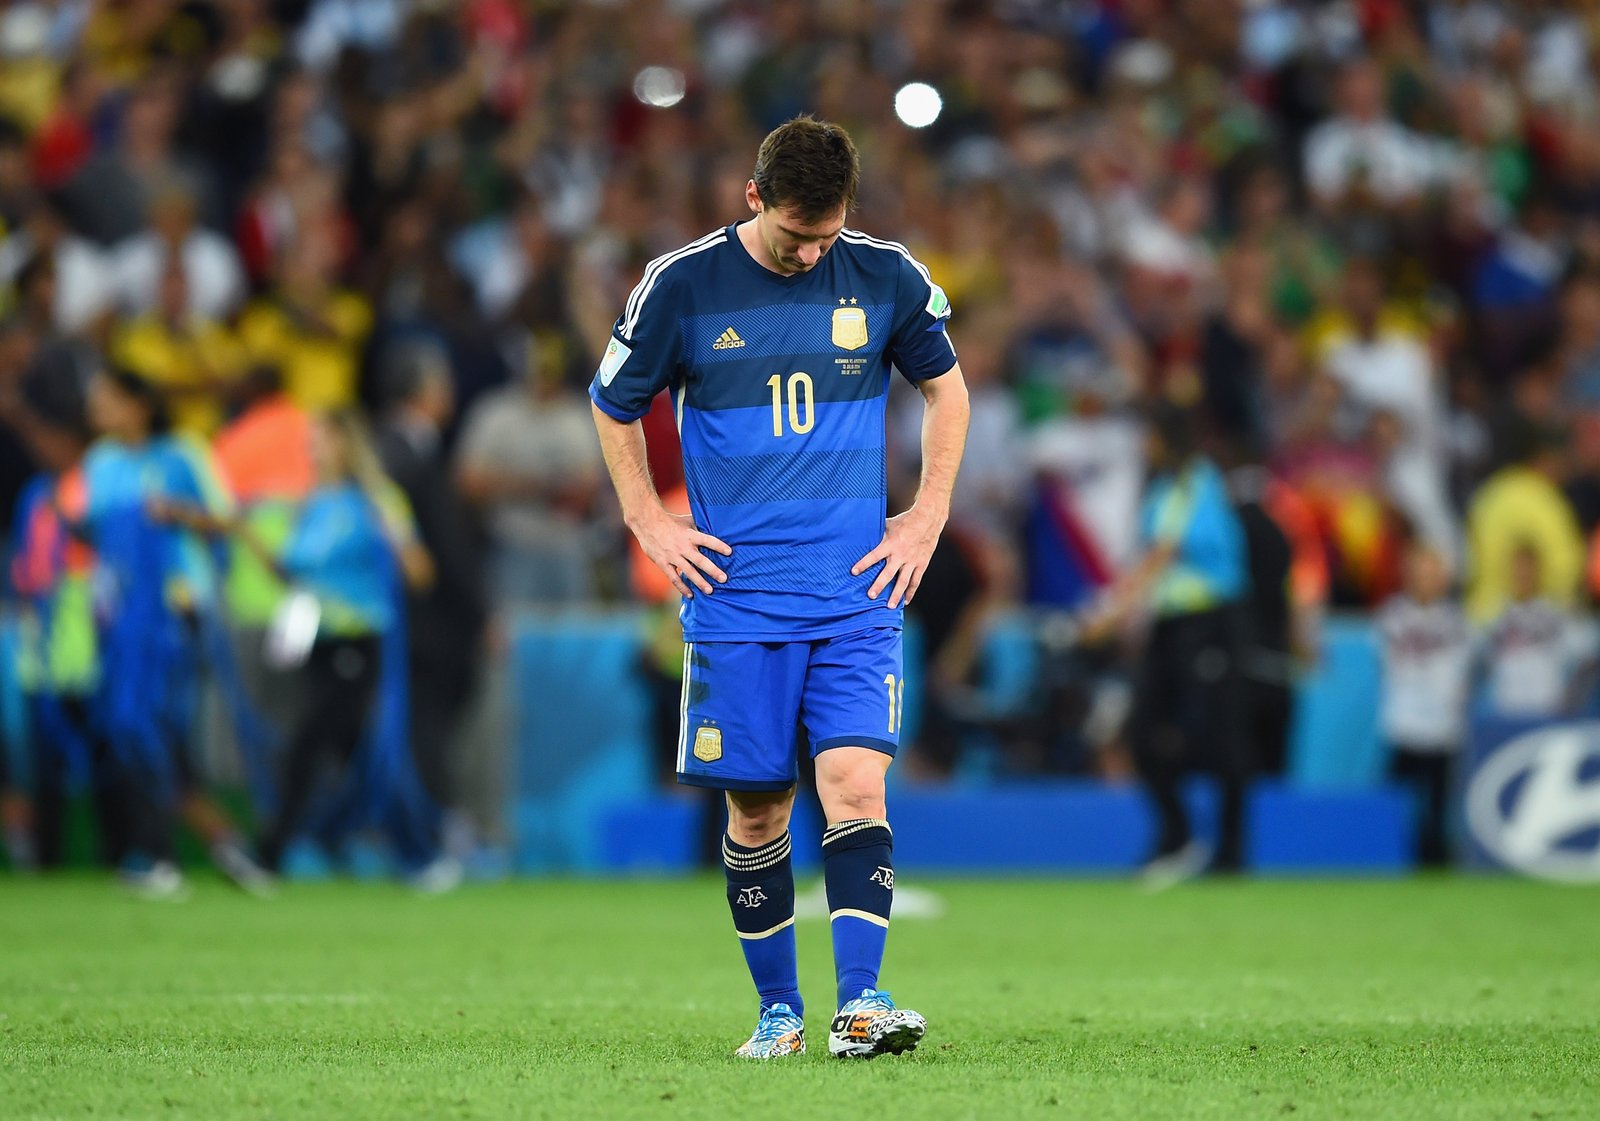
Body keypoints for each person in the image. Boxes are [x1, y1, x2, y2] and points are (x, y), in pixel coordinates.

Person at [588, 117, 968, 1060]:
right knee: (758, 808)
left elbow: (949, 392)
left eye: (827, 235)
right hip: (737, 596)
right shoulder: (681, 285)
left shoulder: (883, 275)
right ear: (753, 198)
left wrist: (923, 517)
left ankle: (861, 1003)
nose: (811, 254)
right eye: (797, 234)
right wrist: (648, 520)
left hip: (853, 591)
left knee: (854, 782)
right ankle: (777, 1013)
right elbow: (612, 403)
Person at [1083, 406, 1251, 885]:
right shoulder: (1163, 489)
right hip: (1173, 625)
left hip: (1212, 621)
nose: (1143, 446)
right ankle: (1176, 837)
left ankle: (1231, 853)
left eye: (1149, 437)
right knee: (1144, 732)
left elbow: (1161, 555)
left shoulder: (1195, 482)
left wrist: (1108, 616)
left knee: (1220, 738)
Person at [1376, 541, 1475, 866]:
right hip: (1402, 722)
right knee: (1397, 802)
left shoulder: (1458, 621)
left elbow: (1469, 670)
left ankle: (1435, 859)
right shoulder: (1393, 616)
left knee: (1438, 804)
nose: (1425, 580)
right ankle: (1392, 858)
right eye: (1420, 572)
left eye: (1432, 573)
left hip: (1443, 725)